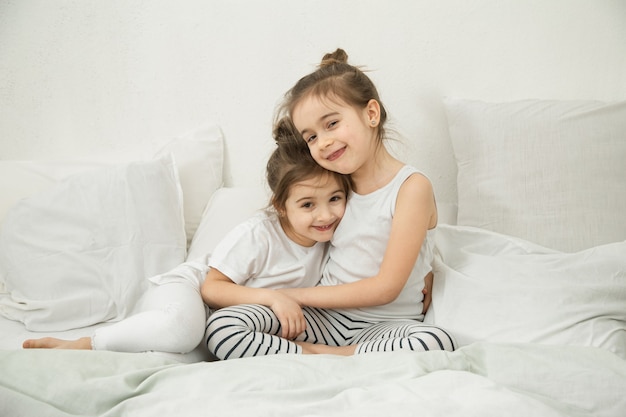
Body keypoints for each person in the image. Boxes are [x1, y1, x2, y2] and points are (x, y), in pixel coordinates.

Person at [205, 49, 454, 359]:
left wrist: (288, 295)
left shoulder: (411, 188)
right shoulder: (337, 185)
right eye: (310, 137)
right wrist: (273, 300)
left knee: (434, 342)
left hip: (385, 326)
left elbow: (387, 287)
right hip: (325, 319)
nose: (321, 142)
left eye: (332, 124)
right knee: (221, 327)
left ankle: (325, 356)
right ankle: (325, 353)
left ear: (371, 114)